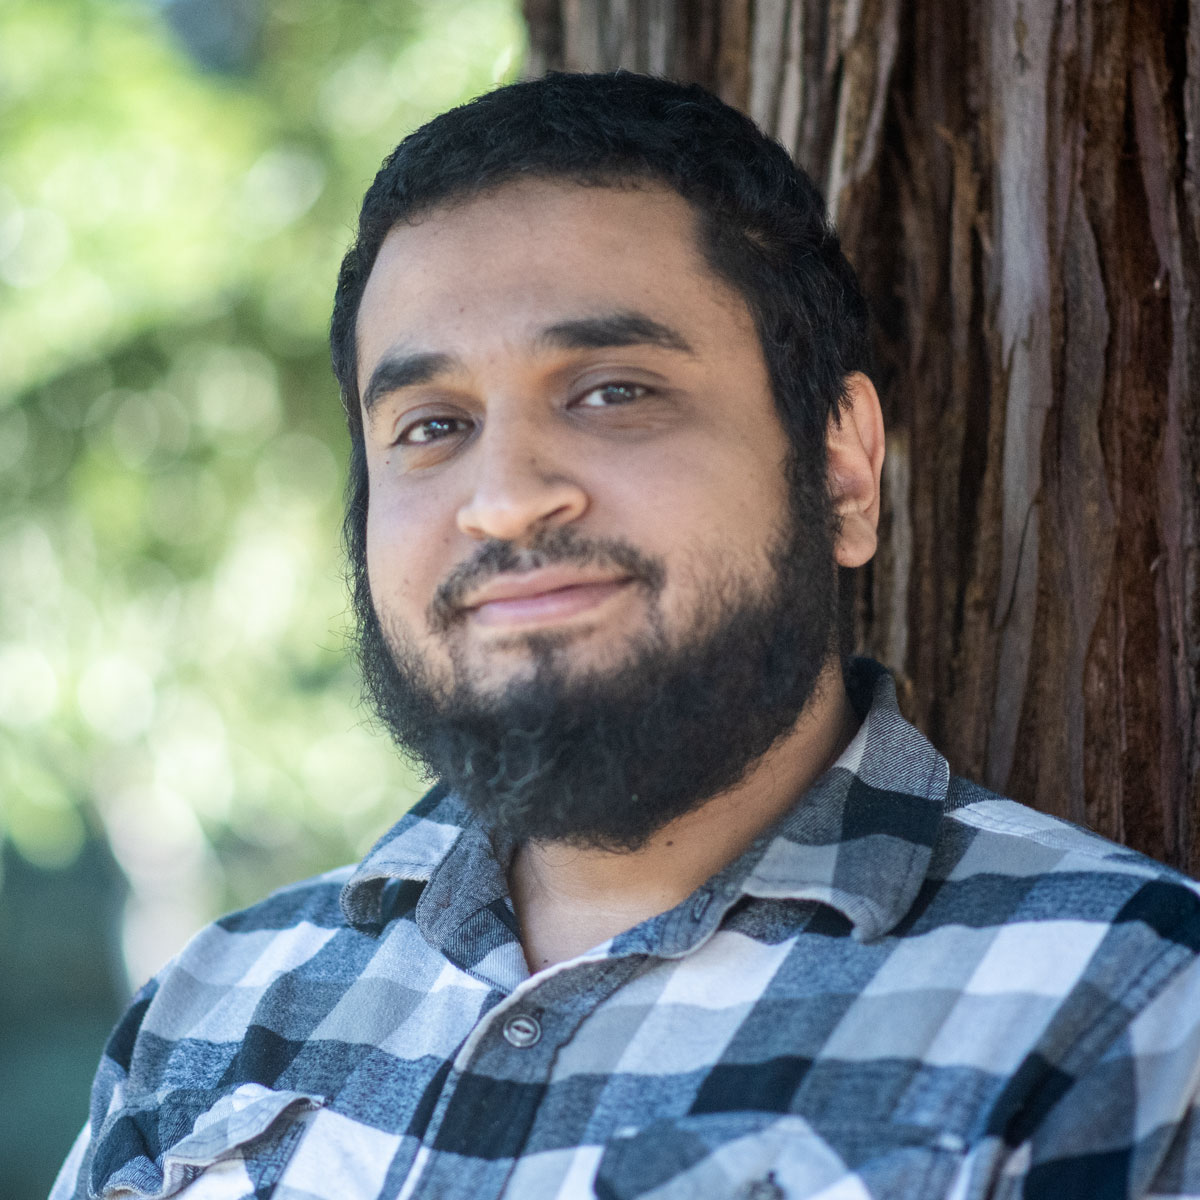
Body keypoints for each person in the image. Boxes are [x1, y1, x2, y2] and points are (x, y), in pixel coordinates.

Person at [54, 72, 1200, 1200]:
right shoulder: (208, 1014)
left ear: (842, 469)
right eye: (432, 425)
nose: (504, 499)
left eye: (612, 392)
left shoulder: (1127, 1015)